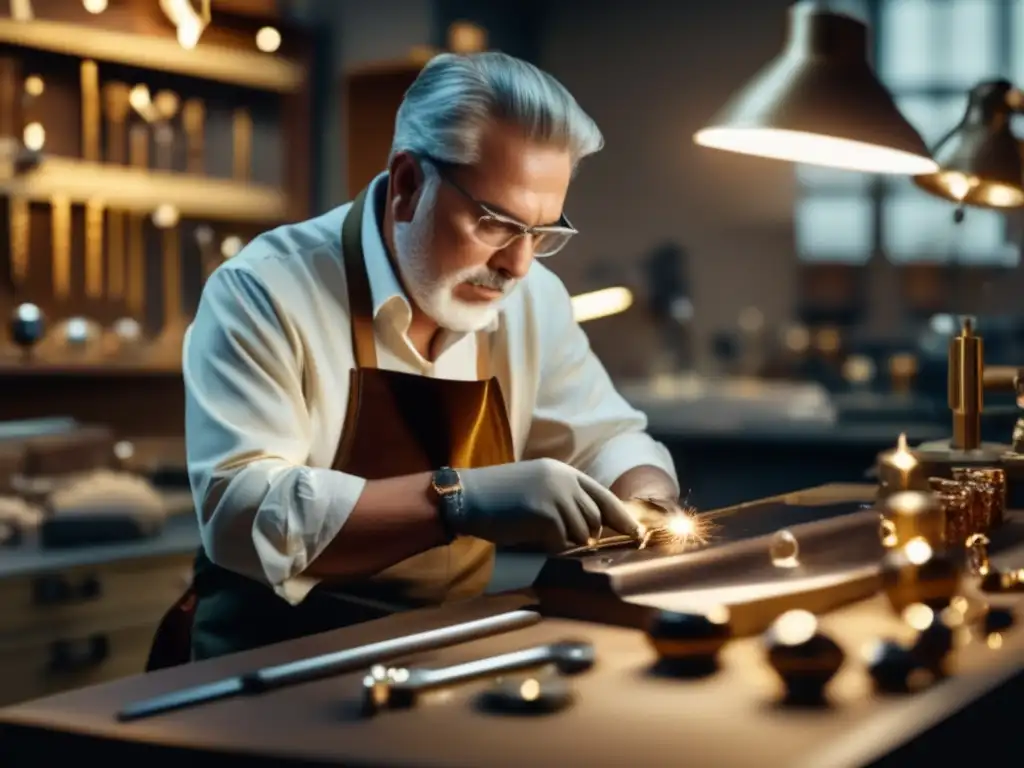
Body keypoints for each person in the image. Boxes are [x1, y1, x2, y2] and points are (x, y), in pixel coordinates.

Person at [151, 51, 680, 666]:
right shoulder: (263, 291)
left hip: (440, 653)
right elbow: (245, 510)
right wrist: (460, 500)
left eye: (542, 232)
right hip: (270, 665)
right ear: (407, 184)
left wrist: (649, 500)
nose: (519, 265)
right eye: (494, 223)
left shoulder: (534, 301)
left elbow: (607, 436)